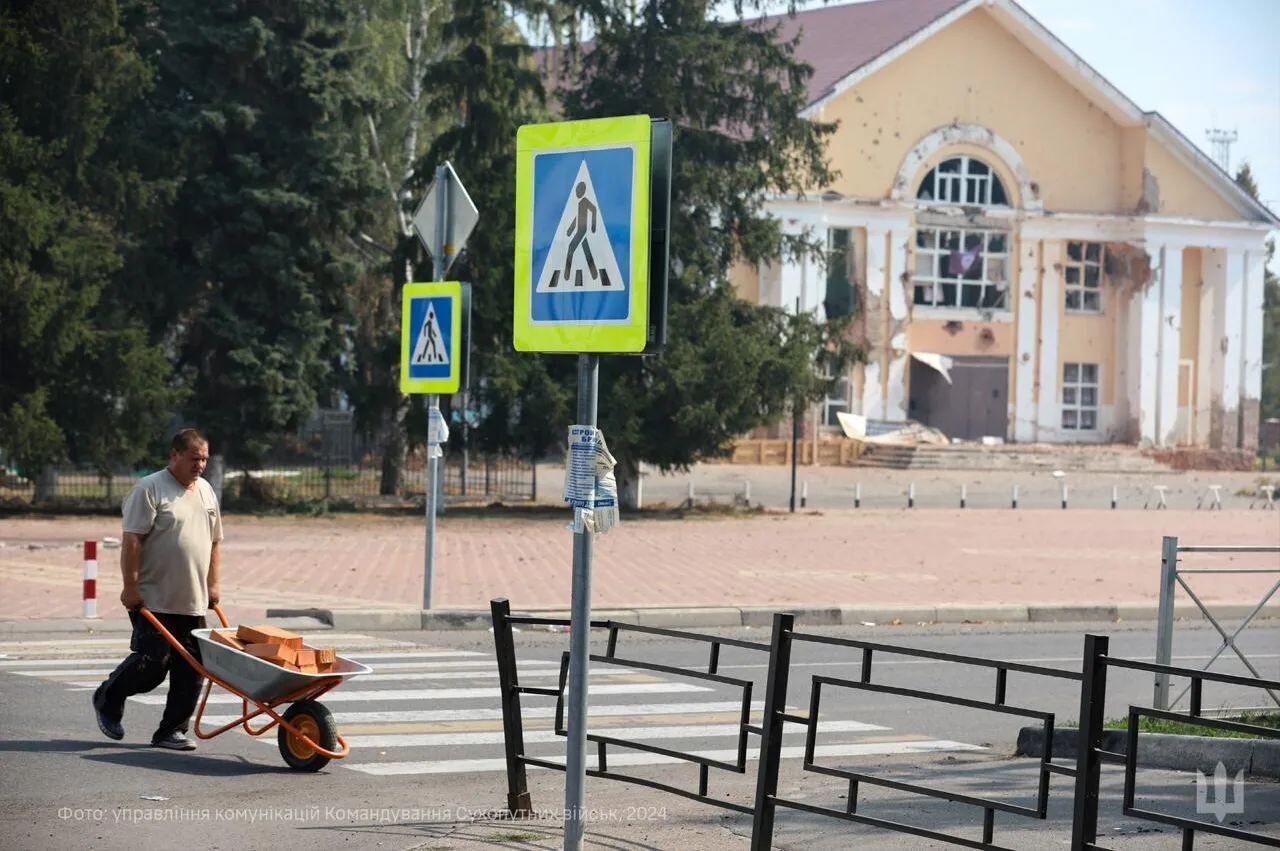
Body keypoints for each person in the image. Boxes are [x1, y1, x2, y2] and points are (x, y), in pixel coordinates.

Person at [93, 428, 223, 751]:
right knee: (153, 664)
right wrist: (130, 586)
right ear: (175, 455)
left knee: (192, 670)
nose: (201, 466)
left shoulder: (206, 491)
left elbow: (215, 541)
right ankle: (108, 697)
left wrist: (213, 584)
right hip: (153, 597)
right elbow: (132, 539)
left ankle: (171, 730)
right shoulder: (149, 488)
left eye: (205, 459)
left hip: (192, 599)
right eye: (195, 459)